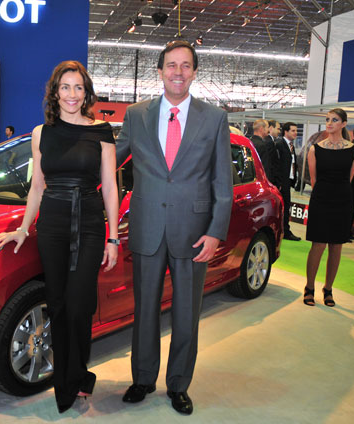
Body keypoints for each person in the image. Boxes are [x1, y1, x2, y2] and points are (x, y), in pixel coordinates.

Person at [0, 60, 119, 414]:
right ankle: (68, 381)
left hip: (89, 223)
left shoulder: (102, 132)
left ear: (86, 93)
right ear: (55, 92)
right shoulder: (41, 134)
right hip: (52, 224)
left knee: (80, 305)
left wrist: (113, 237)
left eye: (78, 87)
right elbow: (37, 186)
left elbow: (110, 186)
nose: (72, 94)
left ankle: (77, 373)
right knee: (59, 304)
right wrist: (23, 227)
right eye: (65, 87)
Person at [116, 40, 232, 415]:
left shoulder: (213, 118)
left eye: (185, 65)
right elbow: (111, 158)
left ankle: (178, 384)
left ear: (194, 72)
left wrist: (215, 231)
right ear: (160, 71)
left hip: (194, 232)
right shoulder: (137, 115)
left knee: (186, 315)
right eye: (171, 65)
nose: (177, 72)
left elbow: (222, 181)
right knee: (145, 311)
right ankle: (143, 378)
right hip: (147, 227)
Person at [304, 109, 354, 307]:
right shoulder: (315, 149)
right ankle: (309, 287)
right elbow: (313, 179)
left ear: (343, 124)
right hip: (321, 199)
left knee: (336, 246)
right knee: (318, 245)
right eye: (327, 120)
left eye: (334, 120)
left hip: (343, 200)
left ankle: (328, 289)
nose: (329, 123)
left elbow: (349, 177)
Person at [274, 122, 301, 241]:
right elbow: (276, 165)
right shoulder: (280, 144)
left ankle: (284, 230)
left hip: (288, 181)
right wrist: (278, 182)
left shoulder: (290, 145)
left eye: (296, 131)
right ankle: (284, 231)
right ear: (286, 132)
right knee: (283, 207)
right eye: (293, 131)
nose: (295, 133)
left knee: (286, 207)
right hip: (281, 182)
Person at [251, 119, 277, 184]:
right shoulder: (262, 145)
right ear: (261, 129)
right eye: (267, 127)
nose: (268, 130)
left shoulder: (249, 142)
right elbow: (265, 167)